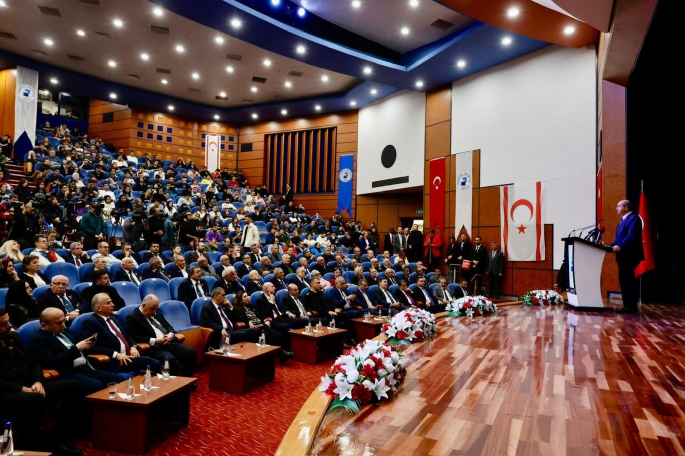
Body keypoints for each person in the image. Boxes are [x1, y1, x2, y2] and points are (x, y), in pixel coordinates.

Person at [0, 308, 85, 455]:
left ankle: (57, 439)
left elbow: (34, 362)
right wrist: (21, 389)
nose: (9, 325)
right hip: (6, 393)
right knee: (34, 398)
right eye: (4, 323)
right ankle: (30, 448)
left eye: (9, 321)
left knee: (73, 386)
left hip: (30, 386)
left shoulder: (13, 337)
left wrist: (38, 381)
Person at [29, 308, 125, 395]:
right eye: (59, 323)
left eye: (64, 321)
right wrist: (77, 349)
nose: (63, 325)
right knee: (96, 385)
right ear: (44, 325)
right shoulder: (39, 340)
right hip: (68, 373)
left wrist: (87, 347)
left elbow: (80, 350)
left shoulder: (67, 332)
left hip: (86, 368)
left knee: (120, 380)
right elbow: (50, 362)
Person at [79, 293, 161, 374]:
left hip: (129, 356)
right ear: (98, 308)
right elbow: (91, 348)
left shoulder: (116, 318)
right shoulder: (90, 322)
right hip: (116, 361)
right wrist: (115, 354)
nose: (113, 305)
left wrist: (133, 346)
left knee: (150, 365)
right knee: (153, 363)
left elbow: (127, 335)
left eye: (111, 302)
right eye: (108, 303)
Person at [124, 295, 198, 379]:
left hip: (169, 342)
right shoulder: (132, 317)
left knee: (191, 353)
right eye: (152, 309)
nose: (155, 312)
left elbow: (169, 326)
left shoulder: (157, 311)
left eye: (156, 308)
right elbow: (133, 337)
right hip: (155, 348)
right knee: (170, 360)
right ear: (144, 305)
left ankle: (186, 380)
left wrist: (171, 334)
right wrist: (154, 341)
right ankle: (173, 385)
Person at [231, 291, 293, 364]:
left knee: (272, 333)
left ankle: (280, 352)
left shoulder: (251, 306)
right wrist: (248, 322)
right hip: (252, 327)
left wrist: (265, 320)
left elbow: (260, 314)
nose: (248, 298)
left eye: (247, 295)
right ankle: (280, 353)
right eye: (245, 297)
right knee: (265, 336)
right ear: (239, 299)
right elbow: (236, 318)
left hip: (260, 324)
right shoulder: (237, 308)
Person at [604, 199, 644, 313]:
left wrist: (620, 246)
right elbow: (619, 240)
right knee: (624, 280)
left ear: (626, 208)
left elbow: (631, 236)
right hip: (623, 255)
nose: (616, 208)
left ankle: (631, 307)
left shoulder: (633, 218)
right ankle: (627, 305)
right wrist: (607, 246)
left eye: (618, 206)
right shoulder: (622, 221)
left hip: (629, 255)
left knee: (628, 281)